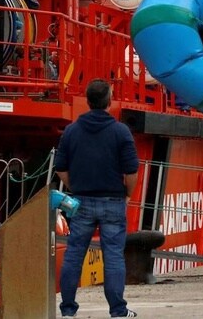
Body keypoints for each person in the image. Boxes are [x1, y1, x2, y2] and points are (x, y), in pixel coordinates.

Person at [55, 79, 140, 318]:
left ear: (88, 101)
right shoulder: (120, 131)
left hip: (81, 201)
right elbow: (132, 170)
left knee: (74, 255)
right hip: (113, 200)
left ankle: (68, 311)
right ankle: (117, 311)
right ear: (109, 101)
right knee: (113, 256)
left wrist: (76, 186)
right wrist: (127, 195)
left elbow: (60, 167)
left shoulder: (72, 130)